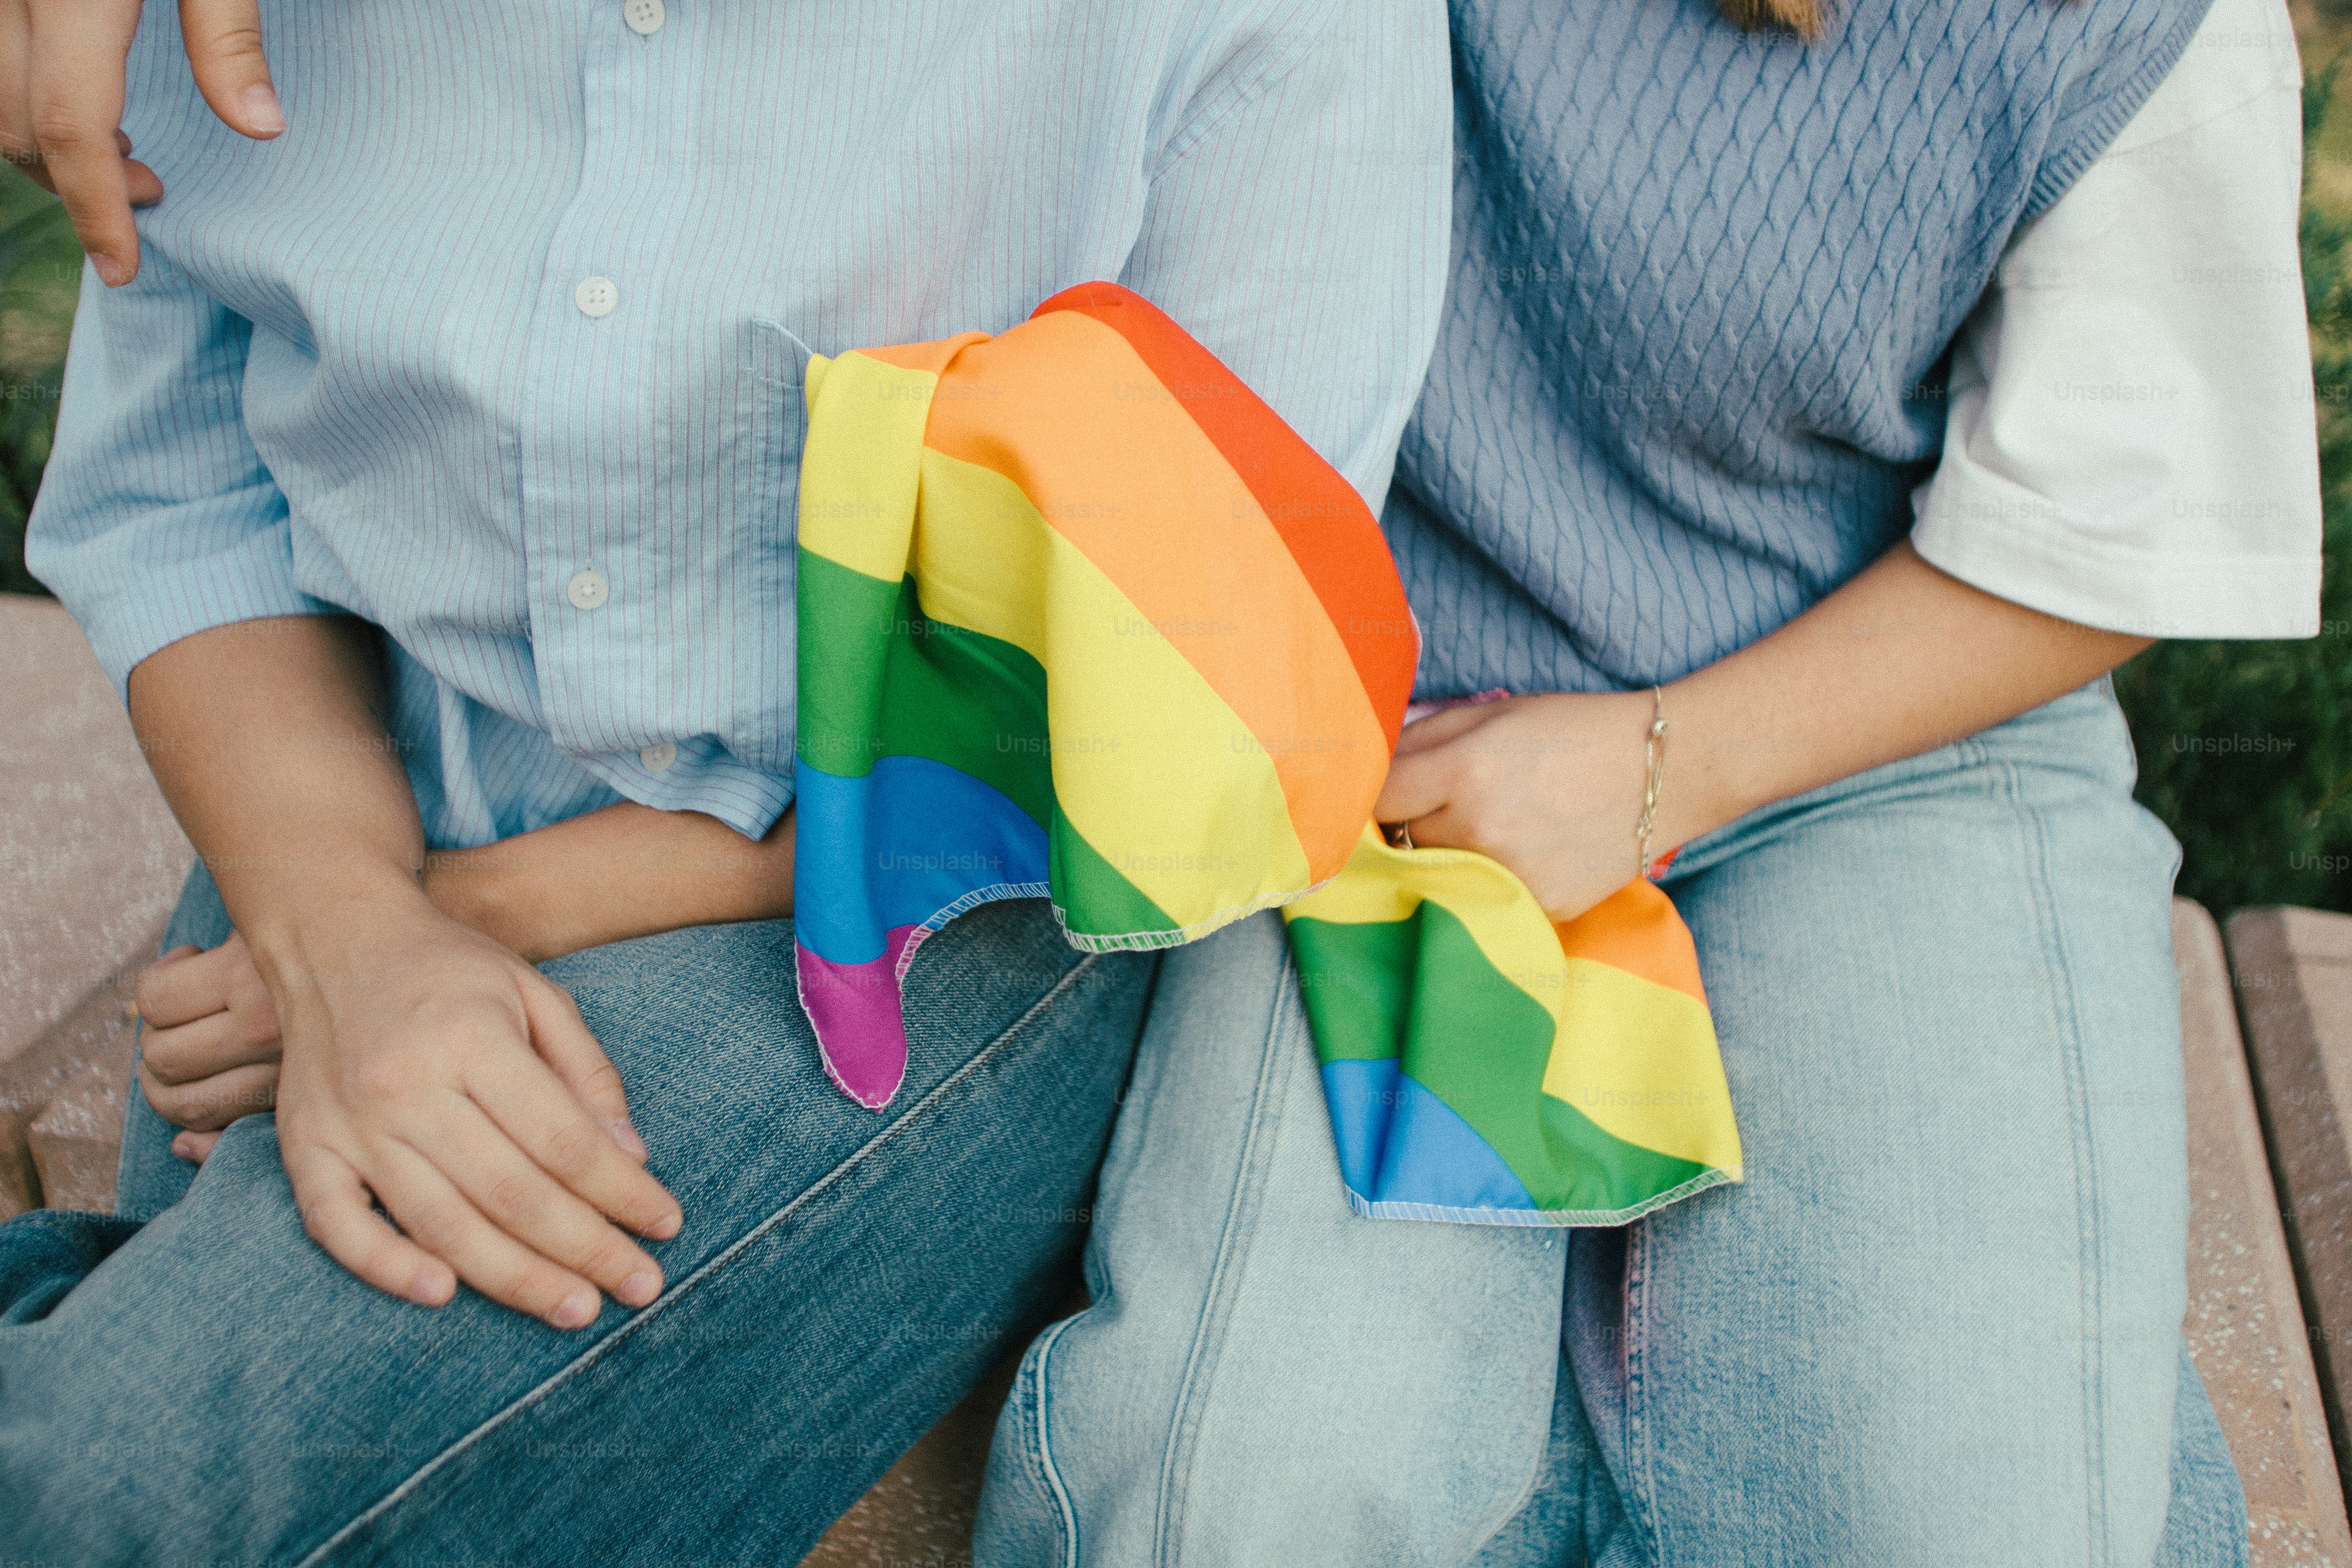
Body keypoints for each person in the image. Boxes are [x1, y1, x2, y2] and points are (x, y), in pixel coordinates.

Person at [0, 1, 1451, 1561]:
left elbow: (1188, 688)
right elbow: (176, 486)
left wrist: (429, 928)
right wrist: (340, 916)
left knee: (109, 1477)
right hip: (343, 781)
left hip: (911, 907)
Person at [969, 0, 2320, 1559]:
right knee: (1235, 1494)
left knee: (1971, 1518)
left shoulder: (2127, 29)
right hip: (1379, 737)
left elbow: (2114, 530)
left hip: (1888, 734)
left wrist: (1661, 763)